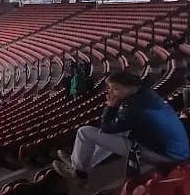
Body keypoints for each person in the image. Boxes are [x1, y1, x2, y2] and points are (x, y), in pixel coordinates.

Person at [52, 71, 190, 186]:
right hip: (178, 150)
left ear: (129, 87)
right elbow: (118, 126)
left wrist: (111, 105)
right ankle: (80, 164)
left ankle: (79, 172)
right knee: (118, 131)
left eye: (116, 88)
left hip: (164, 156)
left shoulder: (135, 108)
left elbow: (107, 127)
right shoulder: (146, 94)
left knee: (85, 132)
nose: (111, 92)